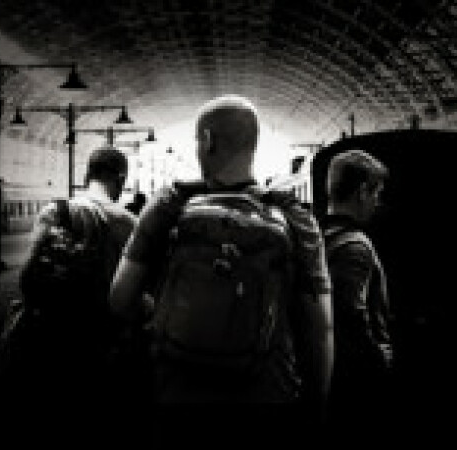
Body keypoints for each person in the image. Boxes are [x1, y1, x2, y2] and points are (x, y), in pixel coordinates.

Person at [109, 95, 334, 445]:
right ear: (254, 144)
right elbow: (320, 329)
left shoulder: (168, 206)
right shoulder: (295, 217)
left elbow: (119, 299)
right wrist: (317, 408)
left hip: (178, 397)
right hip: (267, 396)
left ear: (207, 140)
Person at [0, 145, 137, 414]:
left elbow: (28, 279)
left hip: (48, 339)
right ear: (121, 179)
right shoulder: (128, 223)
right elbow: (128, 294)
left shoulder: (55, 211)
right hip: (99, 343)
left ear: (86, 175)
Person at [321, 150, 393, 429]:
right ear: (362, 192)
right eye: (376, 193)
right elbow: (350, 313)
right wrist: (377, 358)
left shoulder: (321, 236)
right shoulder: (354, 245)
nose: (377, 202)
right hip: (354, 381)